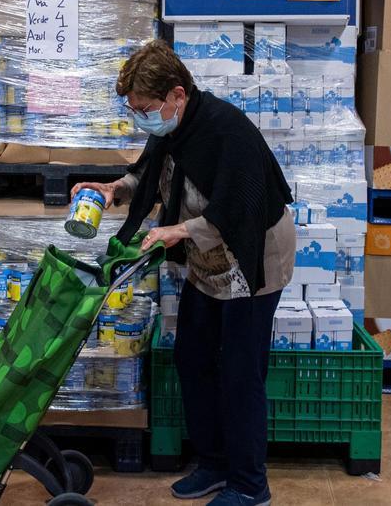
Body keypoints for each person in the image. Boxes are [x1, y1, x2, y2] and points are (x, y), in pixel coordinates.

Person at [72, 41, 294, 506]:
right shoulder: (175, 129)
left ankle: (250, 484)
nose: (142, 119)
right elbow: (149, 173)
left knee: (240, 371)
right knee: (192, 356)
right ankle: (213, 463)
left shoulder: (225, 131)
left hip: (251, 256)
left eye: (146, 109)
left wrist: (178, 230)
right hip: (207, 258)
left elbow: (240, 211)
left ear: (177, 94)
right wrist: (113, 190)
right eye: (134, 111)